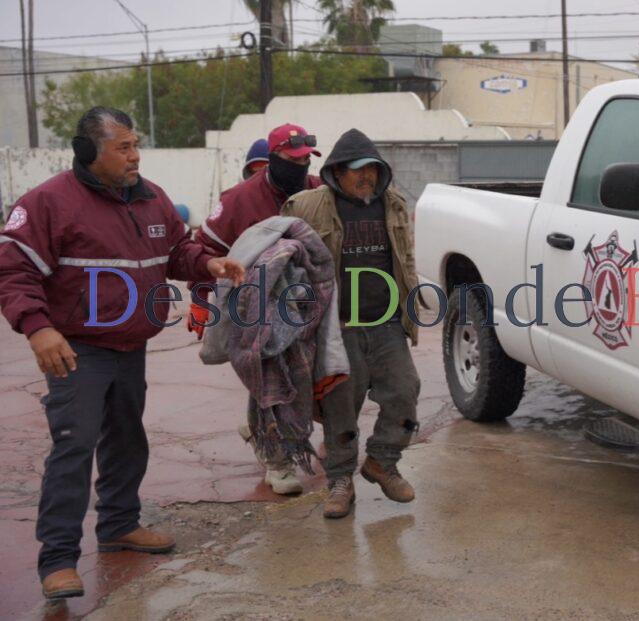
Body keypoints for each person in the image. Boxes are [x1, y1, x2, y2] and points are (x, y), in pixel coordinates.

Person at [0, 106, 245, 601]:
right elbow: (12, 270)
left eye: (136, 146)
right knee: (74, 445)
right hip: (77, 349)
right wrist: (38, 328)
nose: (136, 156)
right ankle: (58, 560)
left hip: (131, 345)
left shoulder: (151, 197)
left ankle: (118, 524)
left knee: (127, 440)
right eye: (124, 147)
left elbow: (178, 252)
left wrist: (209, 263)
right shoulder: (48, 202)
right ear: (90, 152)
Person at [281, 128, 421, 519]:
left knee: (405, 392)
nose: (367, 178)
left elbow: (405, 259)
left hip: (386, 320)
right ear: (337, 172)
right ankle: (340, 482)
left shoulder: (392, 204)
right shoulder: (306, 207)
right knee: (341, 407)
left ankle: (382, 461)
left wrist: (409, 311)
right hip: (336, 328)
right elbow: (282, 263)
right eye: (358, 171)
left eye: (373, 170)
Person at [190, 123, 322, 495]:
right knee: (268, 378)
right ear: (274, 157)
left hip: (304, 306)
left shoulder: (316, 193)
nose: (300, 167)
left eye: (305, 160)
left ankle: (264, 430)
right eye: (292, 159)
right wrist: (201, 301)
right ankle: (277, 461)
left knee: (305, 379)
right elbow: (204, 250)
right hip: (251, 306)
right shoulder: (239, 200)